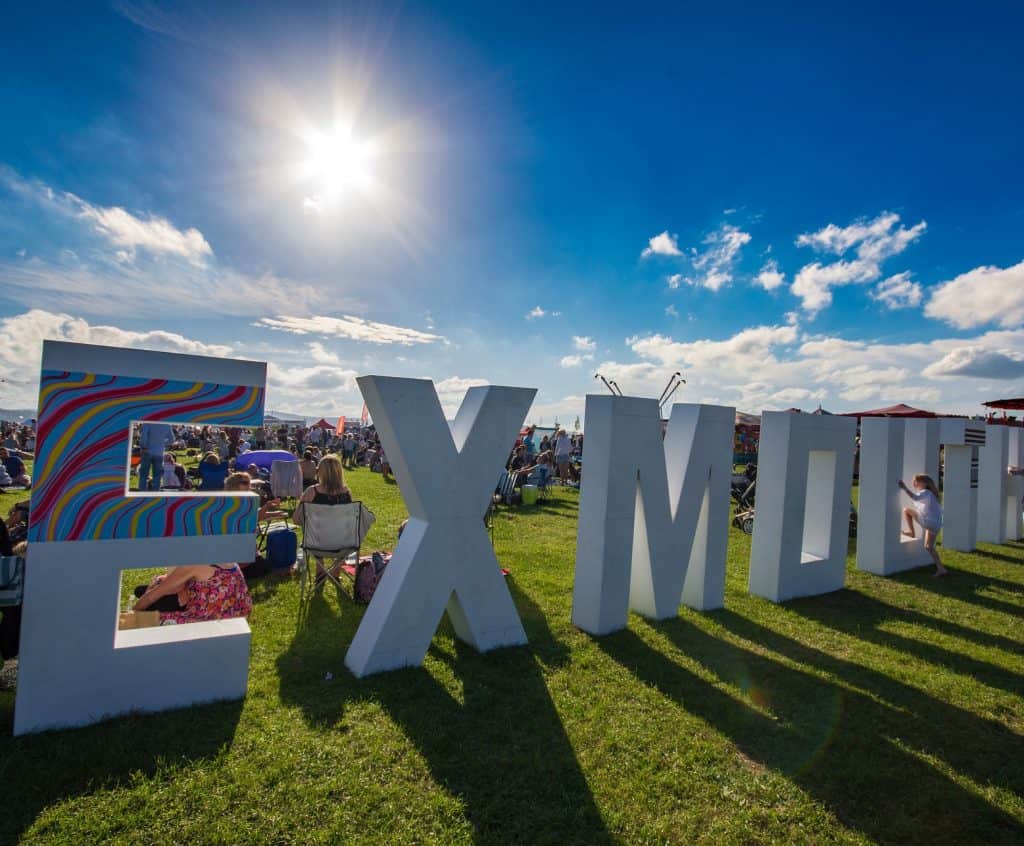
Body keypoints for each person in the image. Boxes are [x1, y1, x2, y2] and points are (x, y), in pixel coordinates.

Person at [293, 454, 353, 585]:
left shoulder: (311, 492)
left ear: (320, 471)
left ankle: (320, 574)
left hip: (316, 543)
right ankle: (335, 573)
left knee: (317, 531)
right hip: (342, 543)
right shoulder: (346, 492)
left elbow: (296, 520)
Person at [133, 560, 253, 624]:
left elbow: (153, 595)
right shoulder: (220, 554)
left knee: (148, 618)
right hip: (236, 612)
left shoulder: (195, 563)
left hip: (213, 619)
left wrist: (131, 614)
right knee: (146, 591)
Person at [898, 474, 947, 577]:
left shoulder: (926, 492)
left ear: (924, 483)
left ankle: (911, 532)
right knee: (928, 546)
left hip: (928, 522)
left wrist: (904, 488)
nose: (914, 483)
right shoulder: (932, 494)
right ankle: (941, 568)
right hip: (936, 524)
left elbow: (915, 497)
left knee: (906, 510)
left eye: (916, 481)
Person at [137, 422, 173, 491]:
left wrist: (143, 447)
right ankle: (155, 493)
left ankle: (142, 492)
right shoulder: (167, 424)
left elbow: (144, 436)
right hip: (159, 453)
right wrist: (162, 444)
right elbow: (171, 440)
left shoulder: (147, 422)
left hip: (147, 451)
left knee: (144, 475)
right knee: (157, 476)